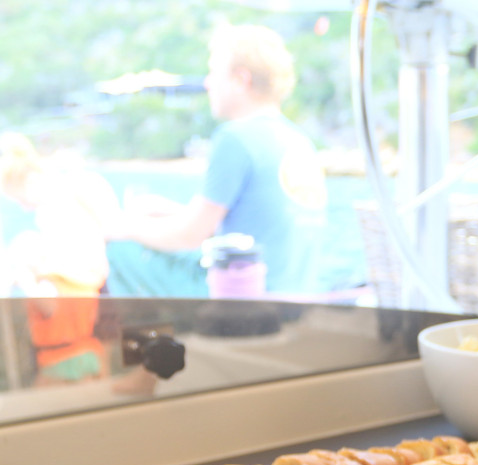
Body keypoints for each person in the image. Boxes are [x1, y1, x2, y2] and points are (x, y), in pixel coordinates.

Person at [108, 24, 327, 296]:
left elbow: (190, 235)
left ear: (241, 80)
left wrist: (124, 227)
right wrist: (169, 210)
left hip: (245, 299)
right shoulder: (297, 141)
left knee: (119, 249)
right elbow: (254, 226)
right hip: (293, 296)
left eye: (214, 73)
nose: (207, 83)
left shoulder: (236, 138)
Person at [0, 133, 116, 384]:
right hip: (87, 318)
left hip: (73, 331)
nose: (22, 207)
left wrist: (28, 276)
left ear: (27, 182)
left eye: (19, 199)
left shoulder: (56, 213)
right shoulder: (63, 200)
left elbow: (52, 298)